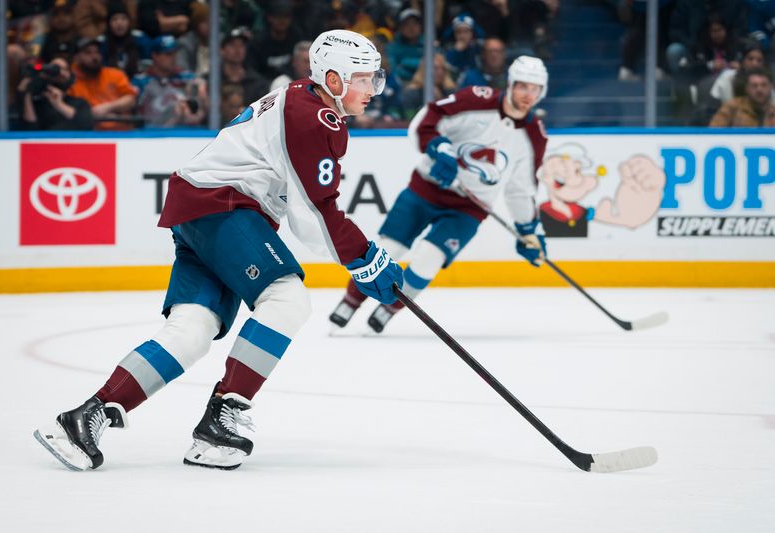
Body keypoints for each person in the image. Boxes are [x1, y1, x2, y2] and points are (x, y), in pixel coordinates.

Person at [33, 29, 404, 472]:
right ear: (334, 78)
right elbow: (316, 213)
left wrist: (362, 258)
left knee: (191, 330)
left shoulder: (301, 100)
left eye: (374, 79)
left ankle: (85, 418)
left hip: (202, 208)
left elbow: (309, 209)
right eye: (363, 79)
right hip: (223, 206)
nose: (372, 89)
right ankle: (221, 417)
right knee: (286, 299)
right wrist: (366, 260)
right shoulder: (315, 117)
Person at [329, 56, 549, 334]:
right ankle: (351, 301)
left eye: (535, 89)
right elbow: (427, 120)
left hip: (468, 208)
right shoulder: (476, 100)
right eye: (523, 86)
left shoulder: (534, 136)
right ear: (511, 84)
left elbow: (522, 188)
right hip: (426, 188)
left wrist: (528, 229)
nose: (528, 95)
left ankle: (390, 308)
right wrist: (439, 148)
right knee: (388, 250)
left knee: (428, 259)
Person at [69, 37, 138, 131]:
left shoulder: (115, 74)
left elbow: (131, 99)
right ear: (76, 57)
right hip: (87, 134)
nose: (94, 57)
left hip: (121, 132)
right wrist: (90, 113)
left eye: (97, 52)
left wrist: (108, 107)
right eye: (88, 53)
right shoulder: (70, 80)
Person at [17, 56, 94, 130]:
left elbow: (86, 125)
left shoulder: (80, 103)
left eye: (65, 69)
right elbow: (30, 131)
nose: (60, 72)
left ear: (71, 76)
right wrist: (27, 93)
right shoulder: (37, 103)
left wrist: (59, 104)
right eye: (55, 68)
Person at [709, 67, 775, 126]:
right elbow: (714, 132)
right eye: (754, 85)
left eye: (764, 85)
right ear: (746, 88)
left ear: (771, 87)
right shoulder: (733, 107)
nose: (759, 89)